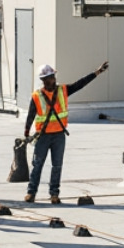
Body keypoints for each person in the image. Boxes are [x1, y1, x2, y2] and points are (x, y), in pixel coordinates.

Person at [22, 60, 108, 203]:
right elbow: (31, 114)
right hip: (42, 136)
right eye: (51, 77)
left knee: (57, 166)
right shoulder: (37, 96)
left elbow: (79, 84)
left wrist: (96, 73)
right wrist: (26, 132)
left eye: (53, 76)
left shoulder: (63, 90)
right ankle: (31, 193)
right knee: (37, 165)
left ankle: (54, 194)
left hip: (59, 136)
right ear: (44, 80)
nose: (54, 79)